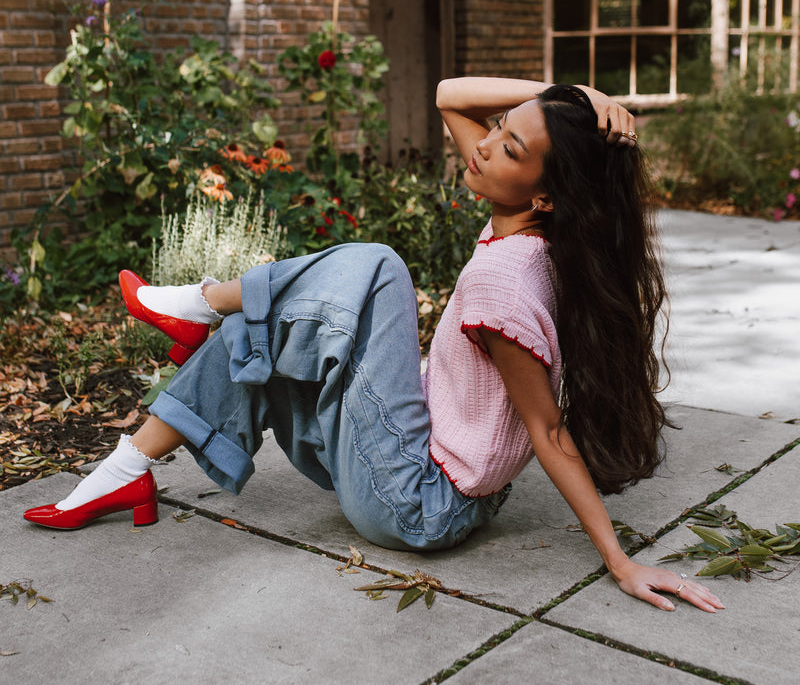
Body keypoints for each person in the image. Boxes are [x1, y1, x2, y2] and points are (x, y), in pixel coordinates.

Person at [24, 77, 723, 614]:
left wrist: (619, 562)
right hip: (424, 475)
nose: (483, 145)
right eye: (499, 128)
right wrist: (576, 97)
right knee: (257, 335)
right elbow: (450, 95)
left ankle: (203, 302)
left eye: (509, 147)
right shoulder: (528, 227)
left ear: (546, 196)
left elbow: (547, 430)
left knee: (378, 268)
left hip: (419, 502)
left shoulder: (504, 282)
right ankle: (127, 469)